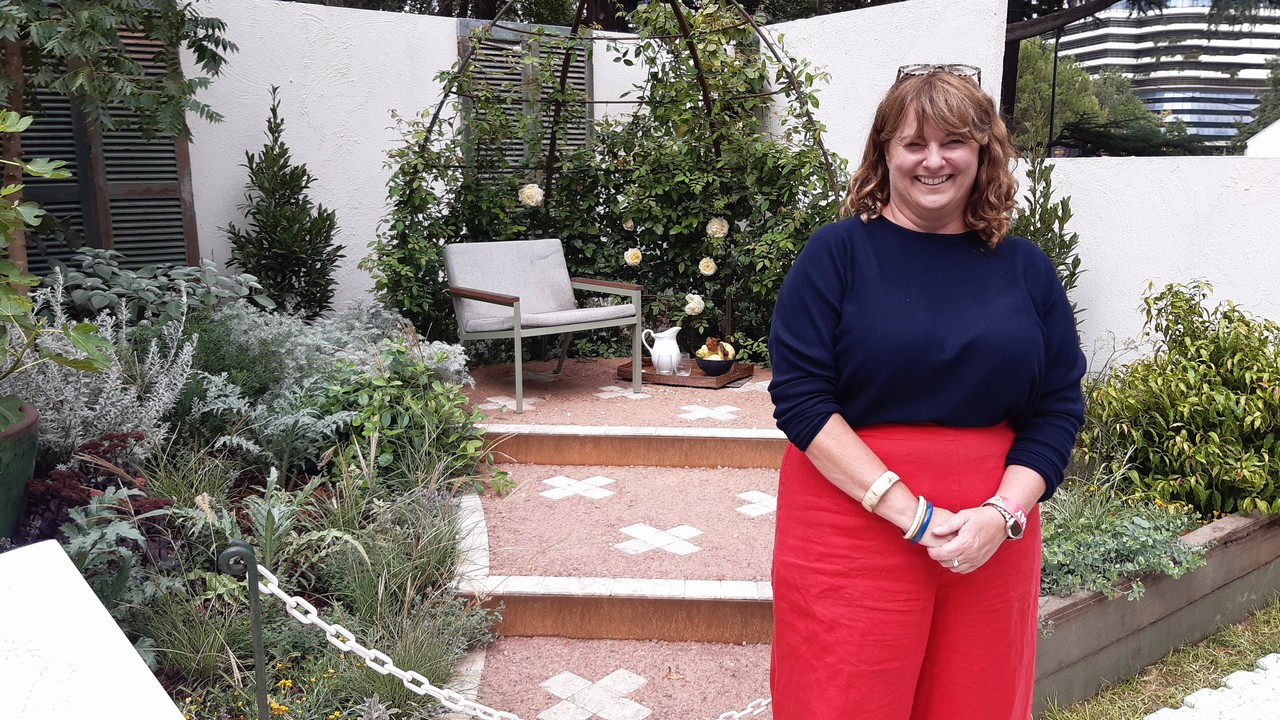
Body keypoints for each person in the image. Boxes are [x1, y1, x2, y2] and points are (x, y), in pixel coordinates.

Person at [767, 64, 1086, 720]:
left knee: (979, 701)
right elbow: (800, 398)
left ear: (983, 152)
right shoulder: (835, 256)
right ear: (885, 154)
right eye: (914, 143)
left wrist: (1002, 516)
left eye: (954, 142)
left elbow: (1056, 408)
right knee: (843, 701)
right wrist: (908, 511)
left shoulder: (1025, 270)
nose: (933, 160)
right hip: (850, 522)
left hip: (989, 535)